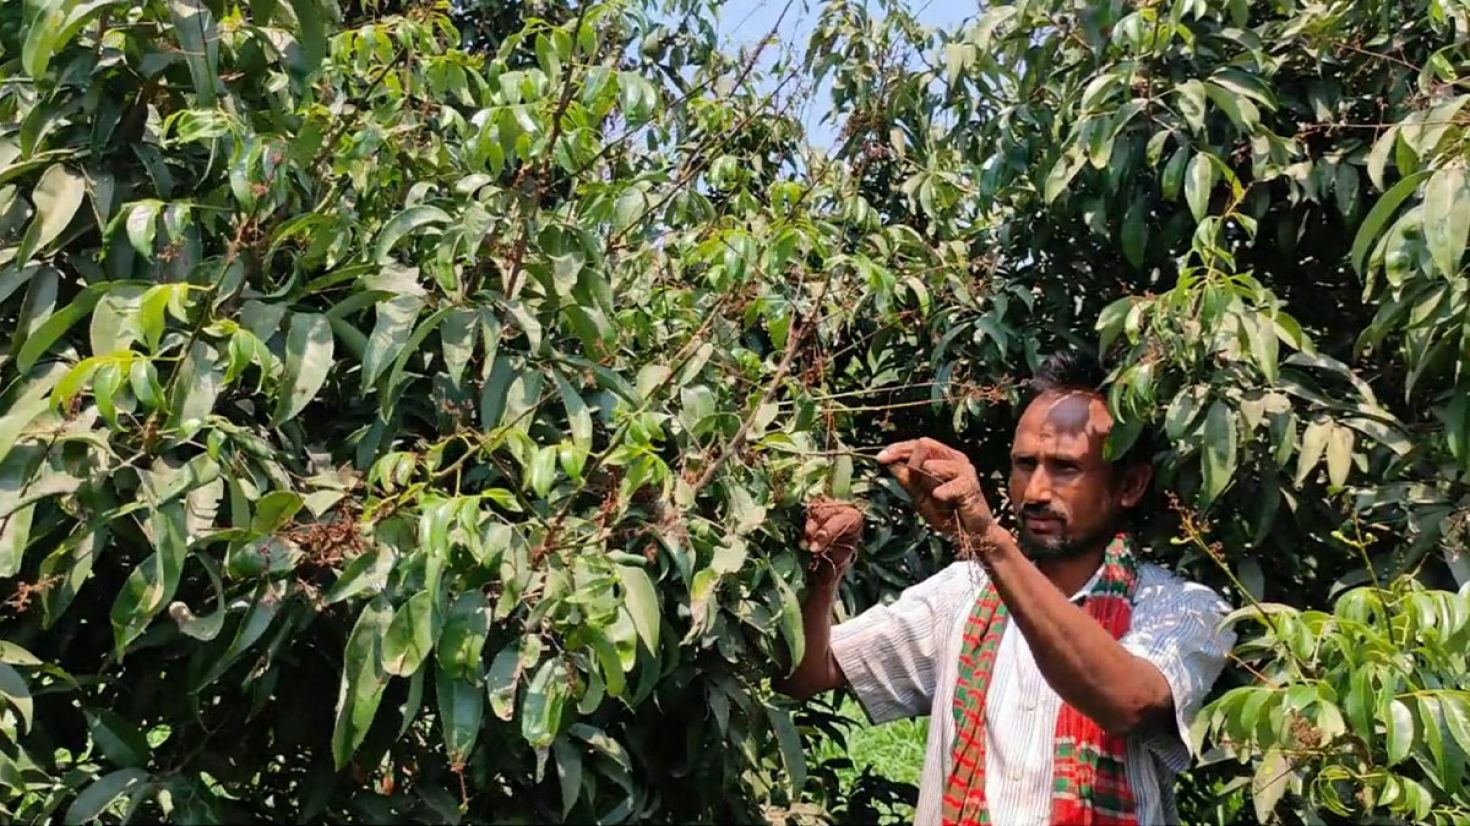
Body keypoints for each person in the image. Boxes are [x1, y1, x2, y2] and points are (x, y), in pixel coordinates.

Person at [775, 351, 1235, 826]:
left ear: (1130, 485)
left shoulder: (1183, 608)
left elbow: (1129, 702)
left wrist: (987, 540)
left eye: (1065, 467)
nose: (1035, 491)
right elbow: (807, 674)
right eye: (1024, 464)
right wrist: (827, 568)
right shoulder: (963, 593)